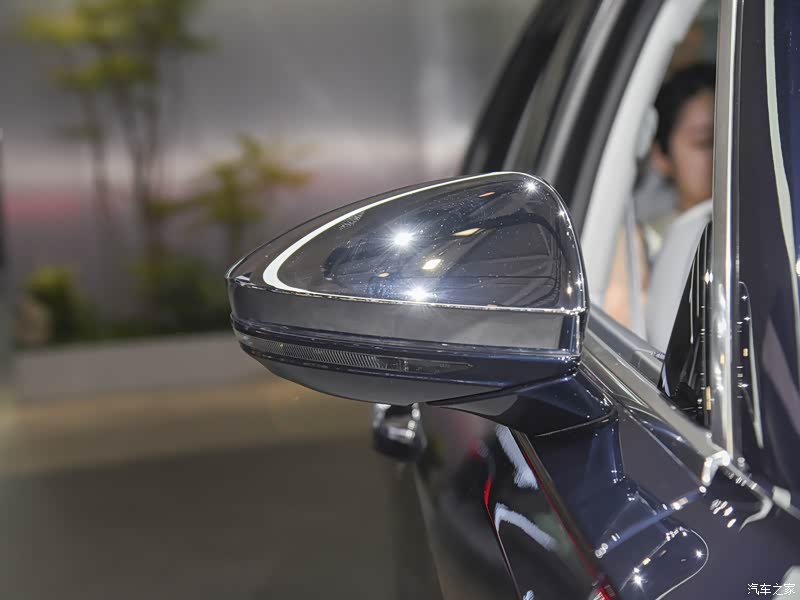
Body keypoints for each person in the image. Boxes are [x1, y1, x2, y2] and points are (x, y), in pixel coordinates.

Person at [605, 63, 715, 349]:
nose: (723, 155)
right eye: (706, 142)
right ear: (661, 156)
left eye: (734, 139)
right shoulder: (635, 249)